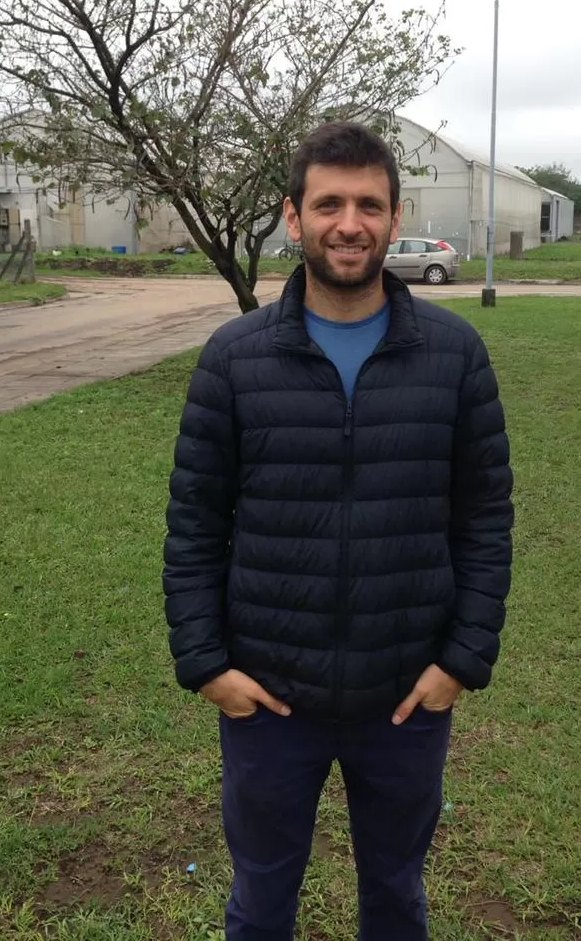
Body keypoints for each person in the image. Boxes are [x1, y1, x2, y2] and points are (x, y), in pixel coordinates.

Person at [163, 121, 513, 940]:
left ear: (396, 220)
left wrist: (461, 662)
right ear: (294, 217)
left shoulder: (454, 354)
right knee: (261, 901)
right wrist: (207, 666)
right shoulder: (235, 359)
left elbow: (485, 518)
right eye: (328, 203)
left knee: (395, 896)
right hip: (269, 699)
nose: (347, 222)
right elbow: (194, 524)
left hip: (406, 700)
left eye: (368, 204)